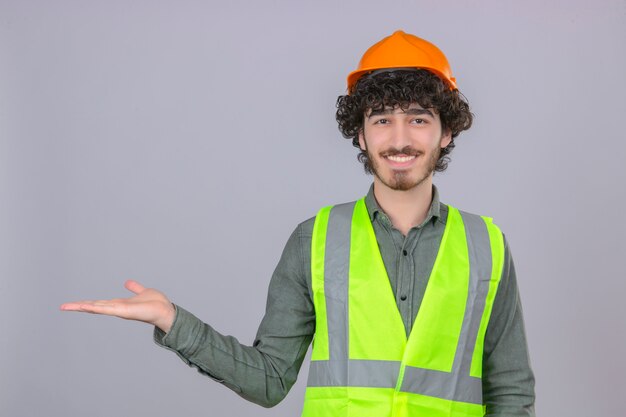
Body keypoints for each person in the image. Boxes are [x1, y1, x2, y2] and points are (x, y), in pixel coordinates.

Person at [61, 30, 535, 417]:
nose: (399, 138)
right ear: (361, 133)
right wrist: (172, 320)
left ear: (446, 130)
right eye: (382, 120)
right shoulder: (316, 240)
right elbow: (268, 380)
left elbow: (512, 393)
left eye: (418, 119)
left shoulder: (485, 245)